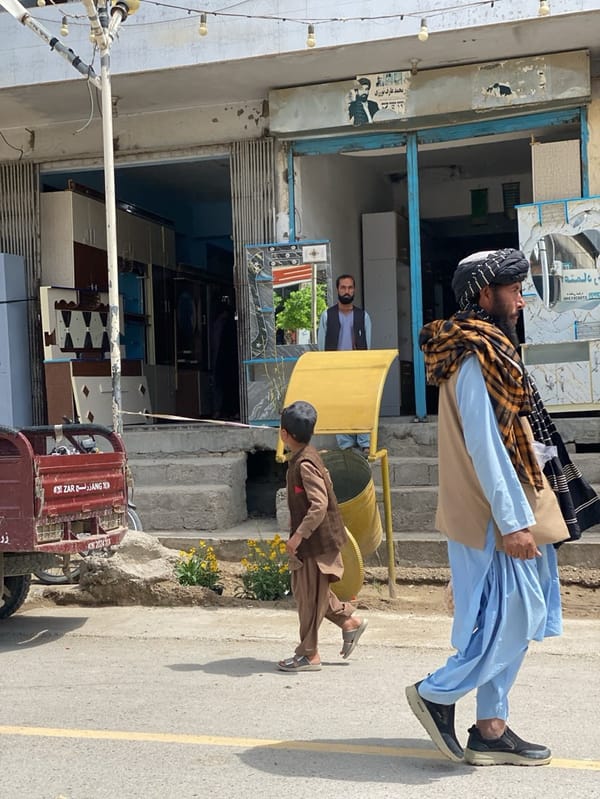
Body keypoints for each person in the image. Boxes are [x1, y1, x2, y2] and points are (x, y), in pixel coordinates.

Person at [405, 248, 574, 767]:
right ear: (485, 294)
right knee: (512, 617)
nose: (522, 300)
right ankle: (437, 692)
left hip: (515, 506)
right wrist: (512, 523)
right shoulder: (474, 355)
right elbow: (485, 445)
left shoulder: (493, 348)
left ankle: (490, 728)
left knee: (519, 614)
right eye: (514, 290)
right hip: (495, 515)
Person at [277, 400, 368, 672]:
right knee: (314, 593)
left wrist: (297, 537)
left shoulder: (305, 463)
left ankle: (309, 654)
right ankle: (349, 622)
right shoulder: (306, 455)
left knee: (308, 598)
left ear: (284, 434)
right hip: (315, 542)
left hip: (315, 544)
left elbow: (319, 504)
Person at [317, 274, 372, 453]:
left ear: (354, 290)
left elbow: (368, 345)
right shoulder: (327, 315)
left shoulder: (363, 316)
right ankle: (346, 444)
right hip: (335, 369)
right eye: (343, 287)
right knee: (339, 406)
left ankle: (364, 442)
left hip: (357, 368)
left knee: (360, 405)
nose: (346, 291)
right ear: (337, 289)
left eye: (350, 288)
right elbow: (321, 345)